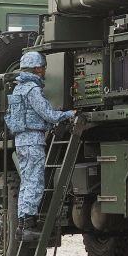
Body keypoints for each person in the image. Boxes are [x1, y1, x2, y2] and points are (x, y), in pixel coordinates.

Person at [9, 51, 76, 242]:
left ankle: (22, 225)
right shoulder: (32, 90)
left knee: (26, 183)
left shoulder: (18, 90)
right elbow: (49, 114)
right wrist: (69, 114)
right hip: (33, 141)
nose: (45, 70)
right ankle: (29, 226)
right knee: (34, 183)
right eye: (43, 67)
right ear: (37, 69)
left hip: (21, 141)